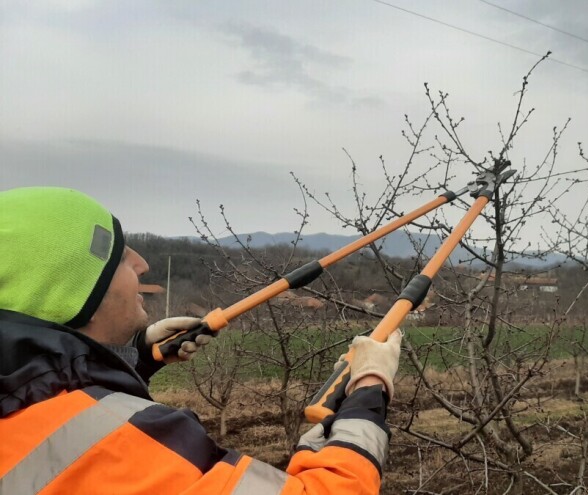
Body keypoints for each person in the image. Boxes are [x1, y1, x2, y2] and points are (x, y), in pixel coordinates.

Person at [0, 186, 402, 494]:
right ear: (71, 294)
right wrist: (368, 390)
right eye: (121, 257)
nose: (142, 263)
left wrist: (136, 356)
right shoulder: (116, 442)